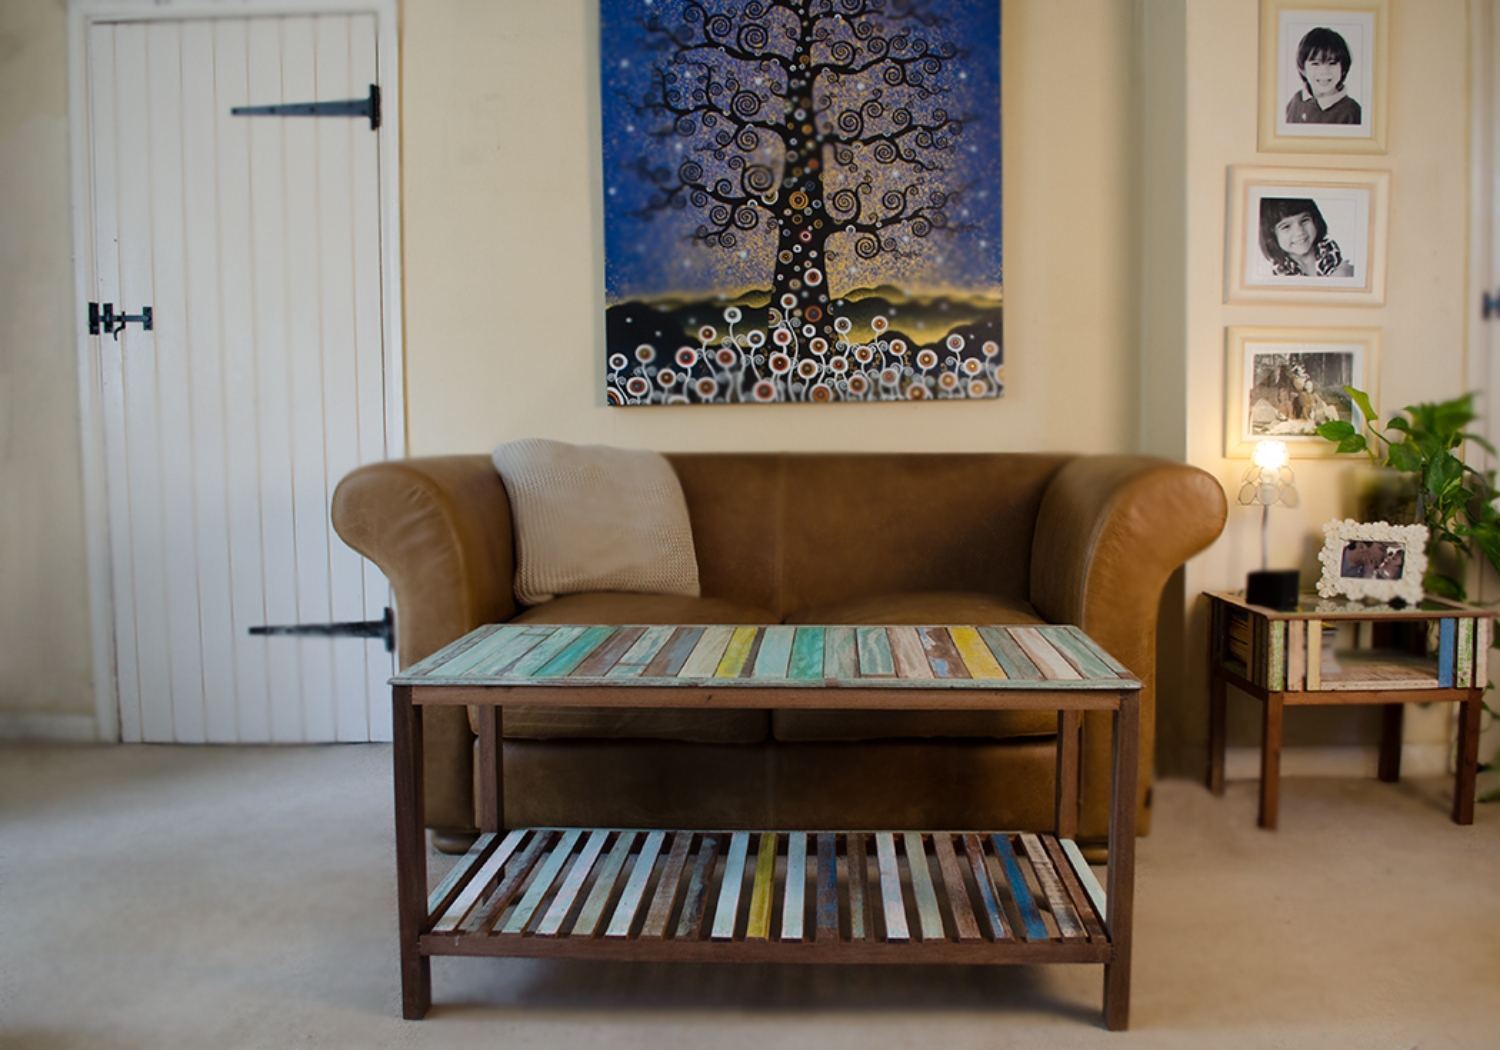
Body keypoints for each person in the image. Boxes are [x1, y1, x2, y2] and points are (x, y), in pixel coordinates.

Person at [1258, 197, 1354, 278]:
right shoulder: (1277, 275)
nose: (1300, 232)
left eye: (1304, 220)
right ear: (1271, 235)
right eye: (1286, 226)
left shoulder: (1332, 254)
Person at [1285, 26, 1362, 125]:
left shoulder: (1352, 111)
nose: (1324, 72)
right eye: (1315, 64)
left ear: (1343, 68)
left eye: (1332, 63)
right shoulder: (1296, 101)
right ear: (1302, 69)